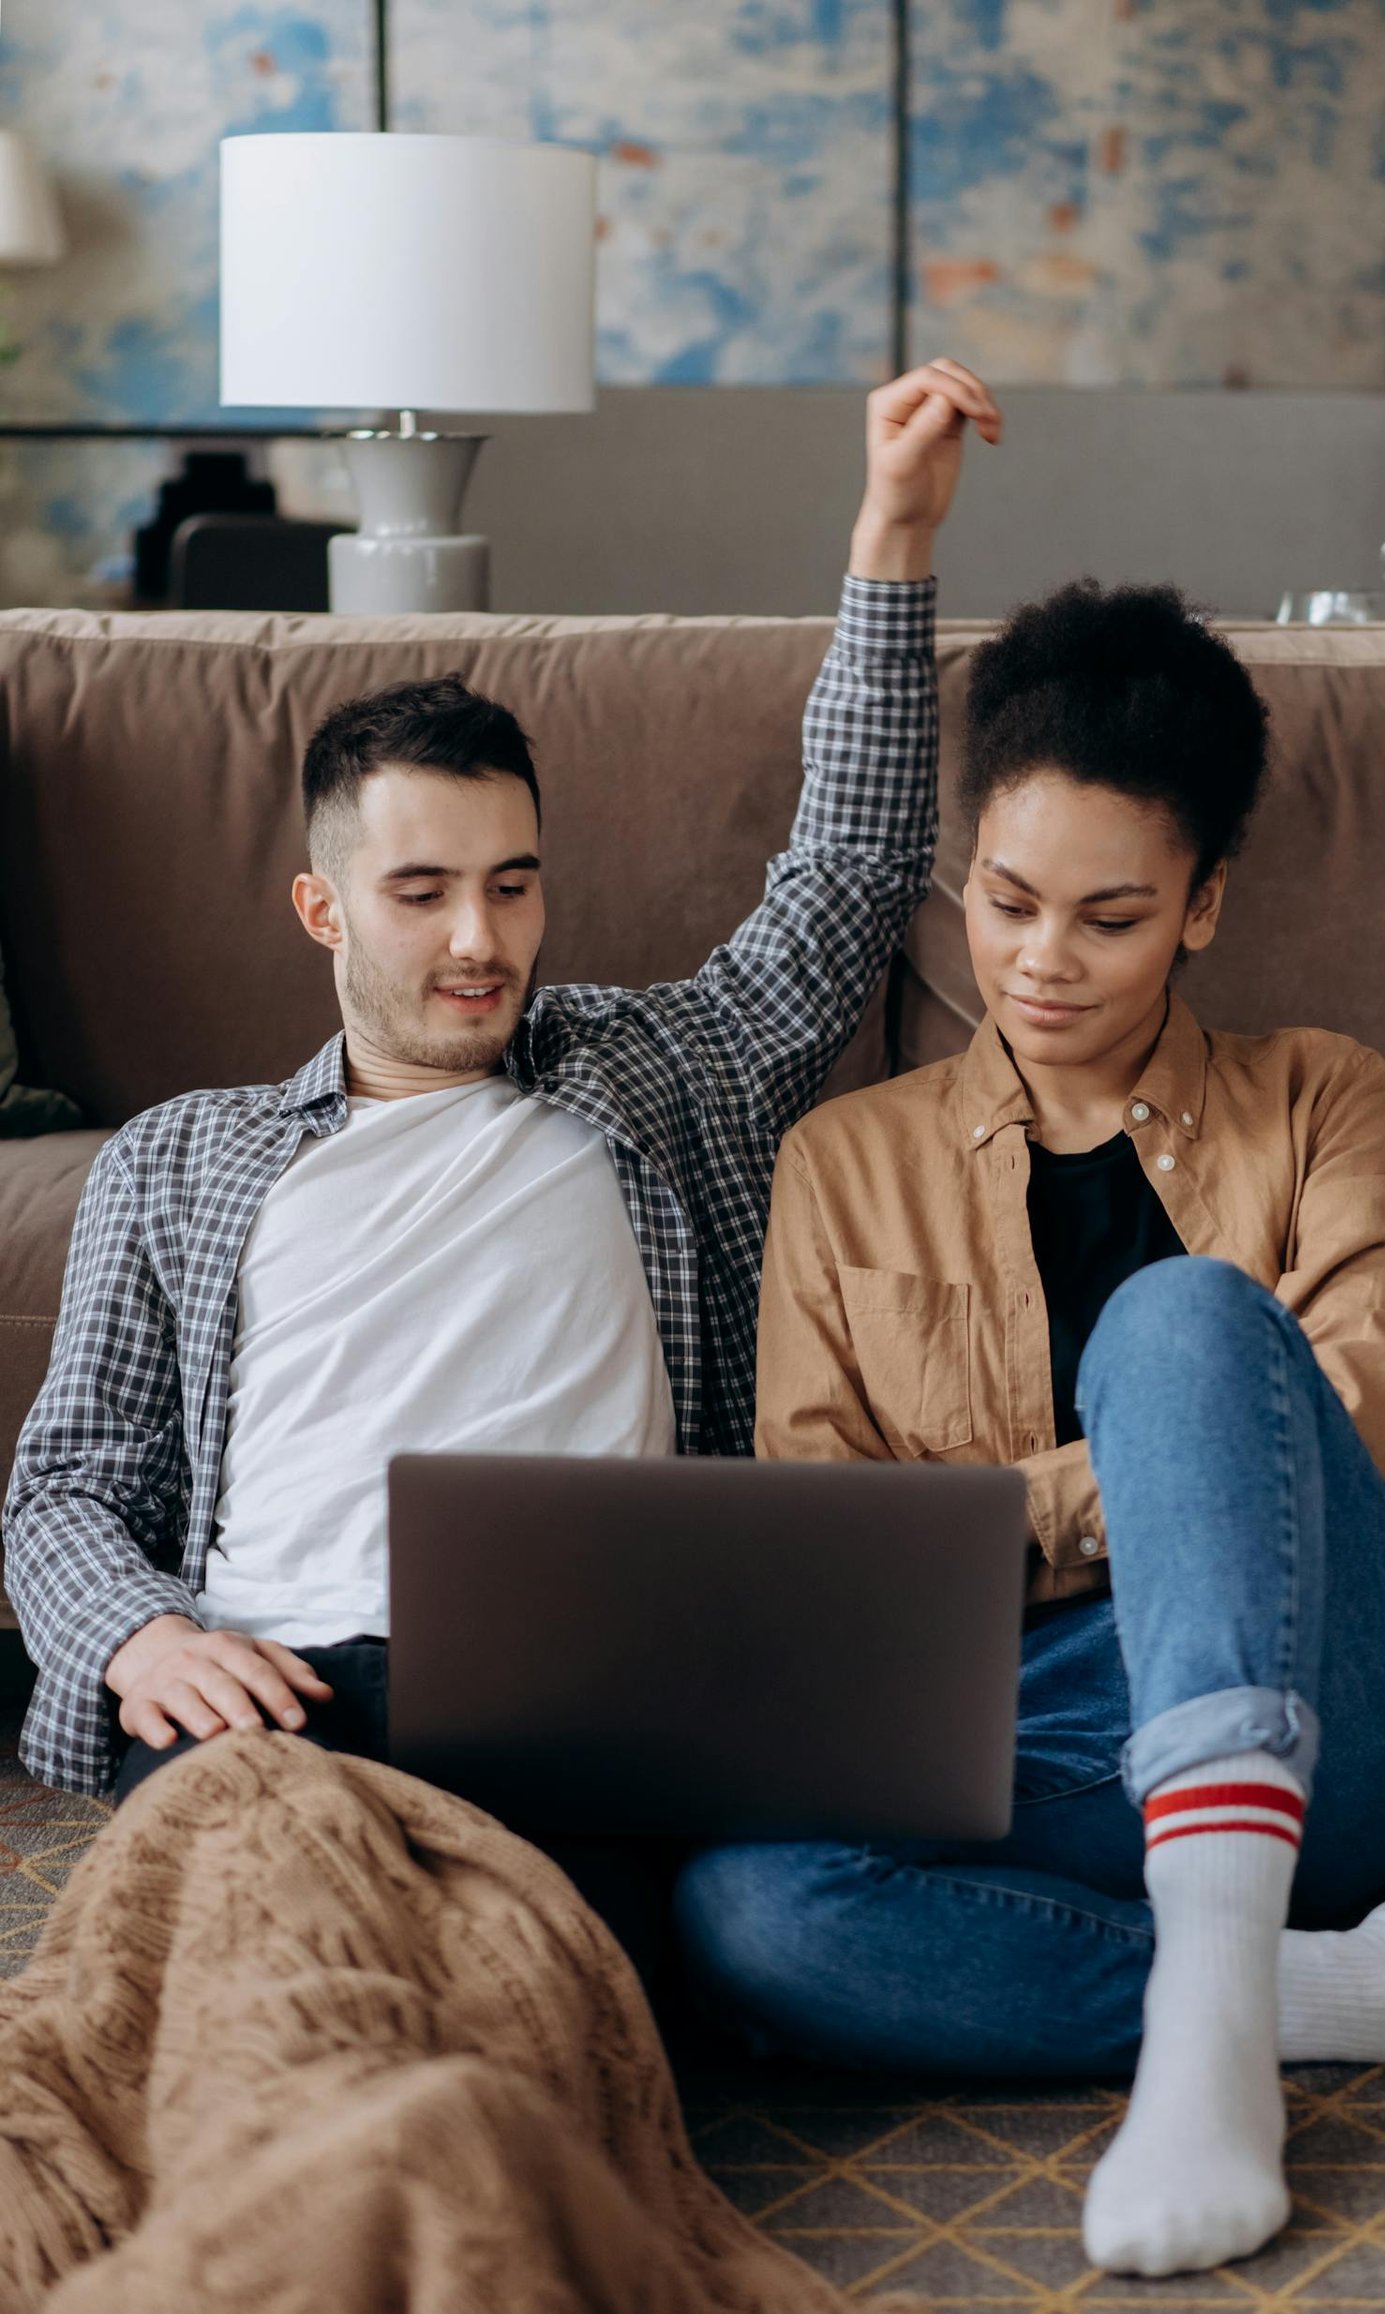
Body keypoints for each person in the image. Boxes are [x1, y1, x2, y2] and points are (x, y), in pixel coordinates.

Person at [674, 581, 1385, 2282]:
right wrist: (1157, 1498)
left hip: (1340, 1697)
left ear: (1203, 907)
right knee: (749, 1907)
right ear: (961, 880)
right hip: (1050, 1718)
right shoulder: (846, 1160)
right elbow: (835, 1534)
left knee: (1186, 1324)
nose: (1038, 962)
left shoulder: (1328, 1094)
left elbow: (1355, 1404)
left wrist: (1051, 1501)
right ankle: (1341, 1992)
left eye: (1109, 918)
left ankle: (1208, 2057)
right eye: (1007, 904)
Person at [3, 360, 1002, 1807]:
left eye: (512, 885)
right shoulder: (177, 1159)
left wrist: (892, 534)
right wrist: (142, 1635)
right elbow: (67, 1488)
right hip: (272, 1681)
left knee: (587, 1932)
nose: (483, 941)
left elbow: (849, 874)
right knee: (289, 1919)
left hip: (585, 1674)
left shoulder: (659, 1070)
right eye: (421, 892)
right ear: (322, 910)